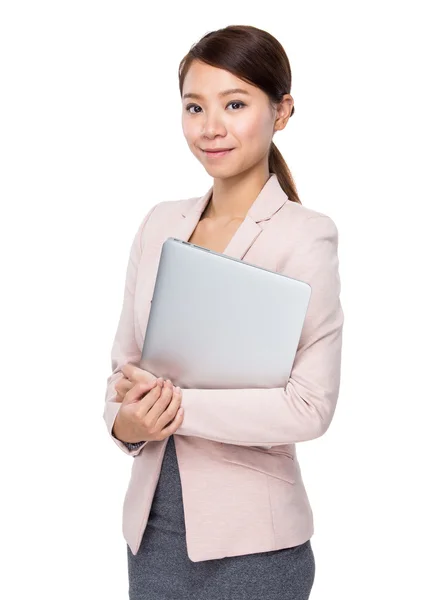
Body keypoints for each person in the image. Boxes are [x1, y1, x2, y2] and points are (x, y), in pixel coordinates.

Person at [104, 24, 344, 600]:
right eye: (194, 107)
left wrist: (179, 409)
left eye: (235, 104)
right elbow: (121, 373)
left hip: (255, 549)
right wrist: (126, 425)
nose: (210, 128)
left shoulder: (306, 237)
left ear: (282, 111)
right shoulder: (159, 223)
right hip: (152, 538)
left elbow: (309, 408)